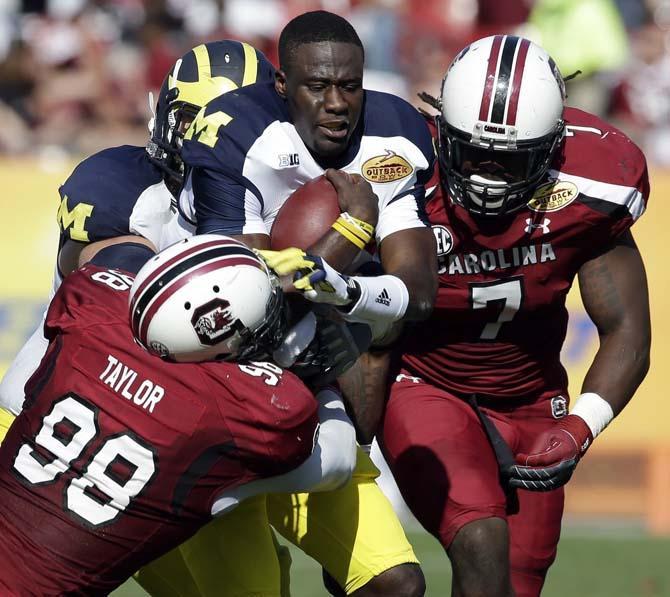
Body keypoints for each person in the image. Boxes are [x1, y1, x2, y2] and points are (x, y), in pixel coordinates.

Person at [376, 35, 651, 597]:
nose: (486, 176)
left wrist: (581, 425)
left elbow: (627, 331)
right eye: (473, 153)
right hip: (426, 385)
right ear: (442, 134)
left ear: (552, 149)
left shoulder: (595, 183)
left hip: (532, 399)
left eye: (510, 160)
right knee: (482, 544)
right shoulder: (401, 173)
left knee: (515, 587)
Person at [179, 10, 438, 595]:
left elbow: (418, 294)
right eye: (317, 86)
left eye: (349, 86)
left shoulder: (394, 132)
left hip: (314, 387)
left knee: (397, 585)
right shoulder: (235, 135)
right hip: (224, 399)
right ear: (282, 87)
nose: (337, 103)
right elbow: (233, 302)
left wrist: (339, 289)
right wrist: (350, 235)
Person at [0, 234, 357, 595]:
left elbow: (115, 249)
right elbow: (337, 462)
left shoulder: (94, 302)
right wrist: (325, 385)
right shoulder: (239, 409)